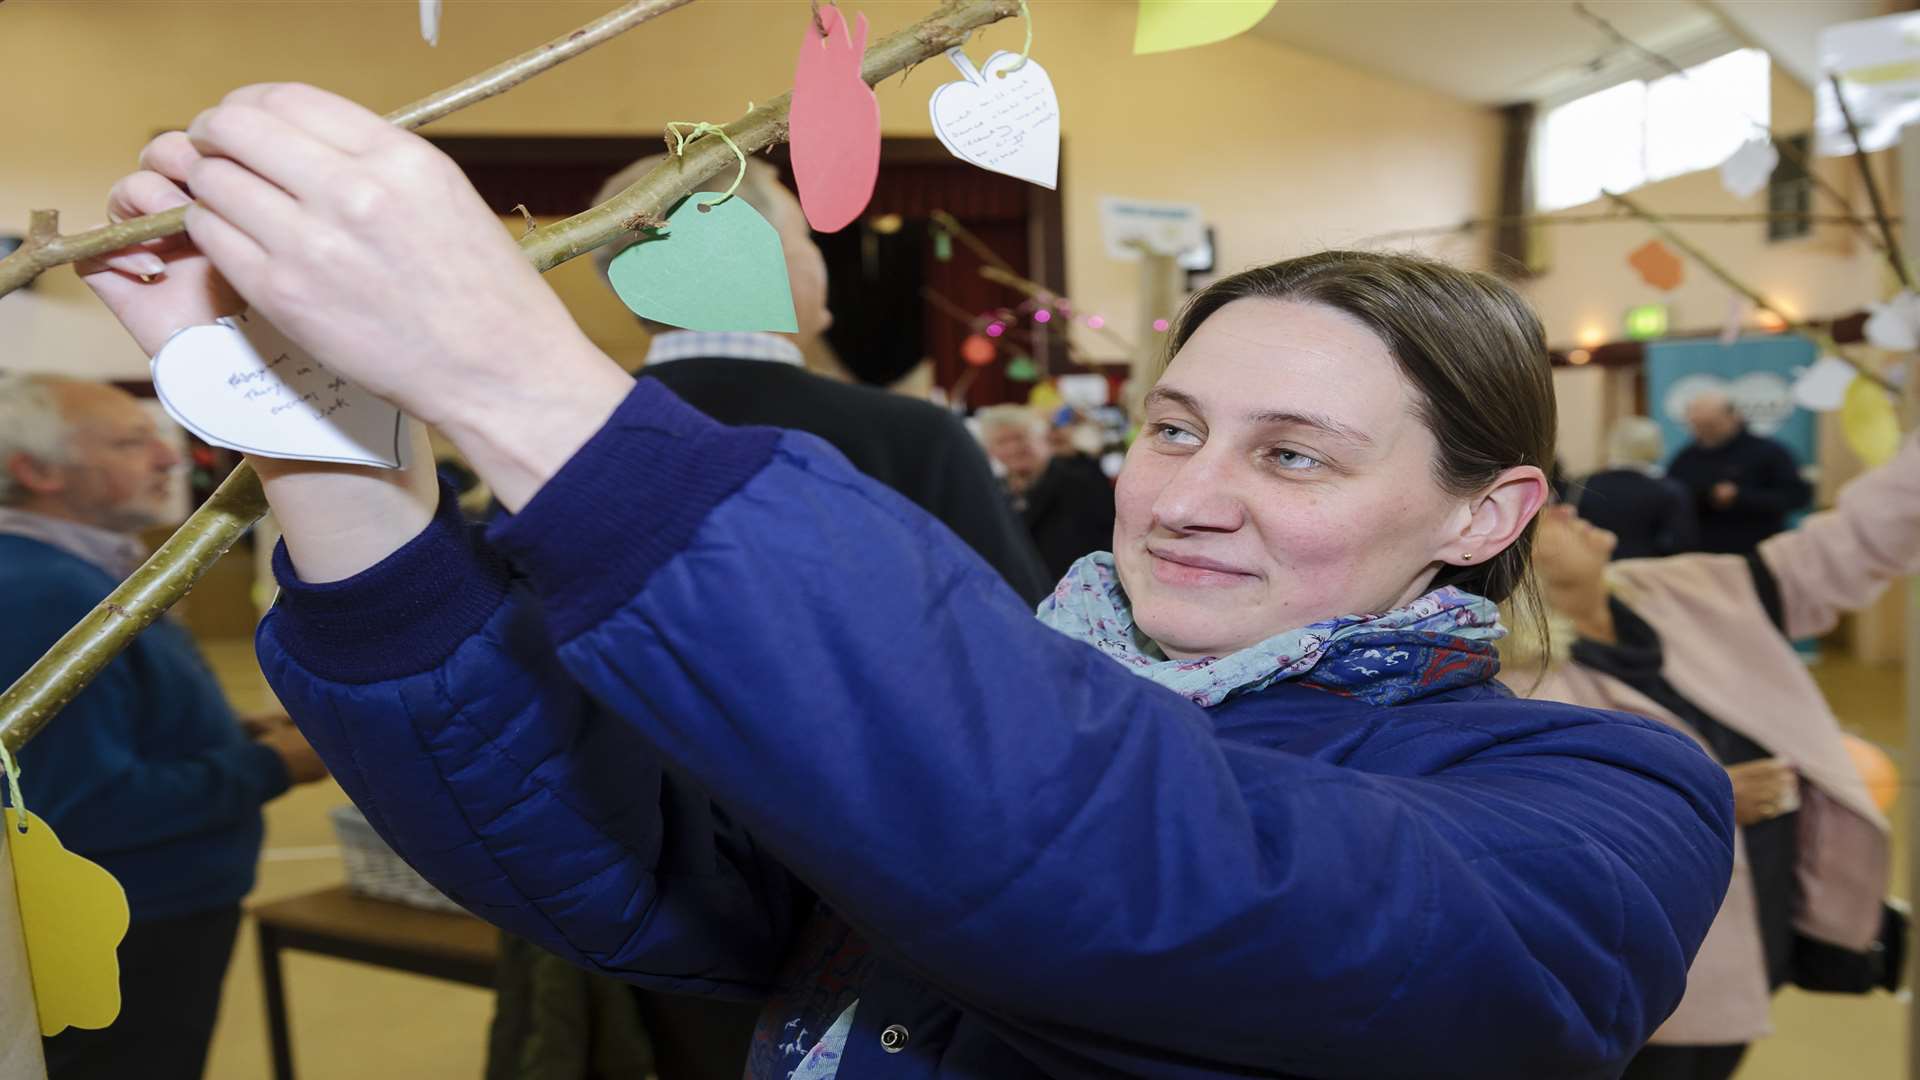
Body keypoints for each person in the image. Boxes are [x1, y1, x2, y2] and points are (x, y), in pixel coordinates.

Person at [87, 85, 1733, 1079]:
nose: (1182, 500)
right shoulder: (1032, 675)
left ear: (1482, 513)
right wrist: (320, 451)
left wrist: (519, 380)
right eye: (1172, 429)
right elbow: (615, 852)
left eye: (1295, 456)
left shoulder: (1605, 797)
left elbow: (1143, 875)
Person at [1526, 427, 1919, 1079]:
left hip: (1759, 943)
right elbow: (1526, 844)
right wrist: (1703, 800)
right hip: (1648, 992)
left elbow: (1851, 545)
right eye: (1538, 513)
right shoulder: (1508, 685)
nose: (1565, 505)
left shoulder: (1688, 590)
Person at [0, 374, 328, 1080]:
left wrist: (225, 731)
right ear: (36, 470)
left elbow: (92, 731)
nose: (168, 458)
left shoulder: (74, 572)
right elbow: (84, 804)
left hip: (150, 907)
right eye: (130, 442)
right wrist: (278, 765)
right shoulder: (48, 591)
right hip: (136, 919)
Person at [595, 156, 1051, 609]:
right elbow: (1019, 631)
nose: (817, 257)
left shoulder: (583, 435)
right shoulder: (913, 439)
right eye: (804, 239)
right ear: (751, 258)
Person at [976, 405, 1116, 583]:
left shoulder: (1079, 478)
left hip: (1077, 590)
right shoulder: (994, 492)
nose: (1013, 448)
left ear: (1043, 438)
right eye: (1002, 442)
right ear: (990, 450)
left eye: (1020, 438)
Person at [1668, 391, 1810, 554]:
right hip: (1704, 553)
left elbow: (1797, 497)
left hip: (1758, 551)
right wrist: (1706, 496)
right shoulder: (1686, 458)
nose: (1703, 432)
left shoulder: (1769, 452)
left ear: (1733, 417)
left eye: (1710, 425)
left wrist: (1741, 497)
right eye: (1697, 426)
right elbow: (1672, 497)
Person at [1574, 416, 1698, 559]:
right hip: (1647, 574)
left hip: (1591, 569)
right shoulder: (1671, 490)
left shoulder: (1581, 484)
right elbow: (1681, 543)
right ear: (1656, 445)